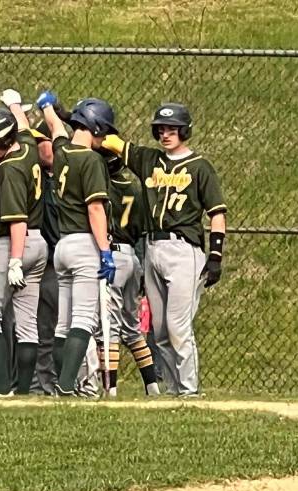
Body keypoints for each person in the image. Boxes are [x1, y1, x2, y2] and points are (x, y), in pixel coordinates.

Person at [103, 102, 227, 396]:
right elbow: (112, 142)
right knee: (158, 330)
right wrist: (75, 120)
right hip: (152, 246)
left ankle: (189, 390)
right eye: (161, 129)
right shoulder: (149, 160)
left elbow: (217, 213)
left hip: (184, 250)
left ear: (185, 131)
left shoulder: (200, 167)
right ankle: (173, 391)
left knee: (176, 325)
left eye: (172, 129)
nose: (165, 134)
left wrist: (216, 254)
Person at [36, 91, 117, 397]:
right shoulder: (92, 160)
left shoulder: (63, 152)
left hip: (62, 246)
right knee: (83, 319)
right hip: (84, 244)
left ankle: (63, 383)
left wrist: (46, 106)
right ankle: (68, 385)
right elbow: (95, 208)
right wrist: (106, 252)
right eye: (104, 131)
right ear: (96, 127)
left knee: (62, 323)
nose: (105, 137)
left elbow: (56, 128)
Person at [0, 89, 48, 397]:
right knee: (27, 320)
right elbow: (24, 126)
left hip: (12, 243)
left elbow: (17, 219)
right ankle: (22, 390)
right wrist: (14, 103)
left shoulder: (9, 168)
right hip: (39, 244)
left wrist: (14, 260)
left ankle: (1, 388)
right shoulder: (26, 147)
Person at [100, 149, 160, 397]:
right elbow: (143, 234)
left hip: (112, 255)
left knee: (109, 325)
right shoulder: (135, 189)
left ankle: (110, 389)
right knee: (132, 326)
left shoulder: (104, 186)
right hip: (133, 257)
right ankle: (152, 385)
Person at [28, 119, 60, 395]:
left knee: (67, 326)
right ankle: (41, 385)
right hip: (43, 263)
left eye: (42, 141)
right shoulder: (37, 178)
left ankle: (76, 382)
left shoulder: (69, 175)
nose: (38, 148)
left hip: (64, 263)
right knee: (41, 329)